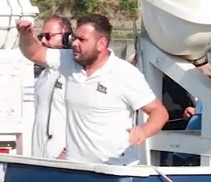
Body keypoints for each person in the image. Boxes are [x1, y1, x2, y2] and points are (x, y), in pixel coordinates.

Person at [44, 14, 168, 164]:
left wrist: (143, 131)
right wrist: (25, 35)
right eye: (75, 38)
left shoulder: (125, 74)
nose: (74, 43)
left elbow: (159, 112)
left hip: (115, 167)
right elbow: (35, 53)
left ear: (101, 44)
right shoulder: (70, 62)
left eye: (82, 39)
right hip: (76, 166)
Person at [15, 14, 73, 158]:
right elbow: (32, 52)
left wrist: (66, 152)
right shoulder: (43, 74)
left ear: (67, 37)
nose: (43, 40)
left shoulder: (75, 70)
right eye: (41, 36)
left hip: (63, 157)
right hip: (41, 155)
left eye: (48, 36)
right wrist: (25, 35)